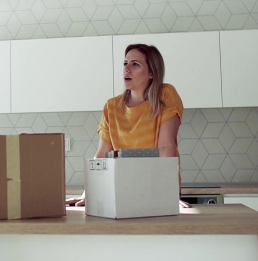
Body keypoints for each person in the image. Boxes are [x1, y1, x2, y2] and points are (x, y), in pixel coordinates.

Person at [66, 43, 185, 207]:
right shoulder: (111, 106)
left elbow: (166, 148)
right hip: (120, 190)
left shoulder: (165, 95)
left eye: (135, 64)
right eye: (125, 63)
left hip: (157, 188)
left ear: (152, 72)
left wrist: (168, 194)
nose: (127, 69)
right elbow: (102, 154)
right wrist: (89, 193)